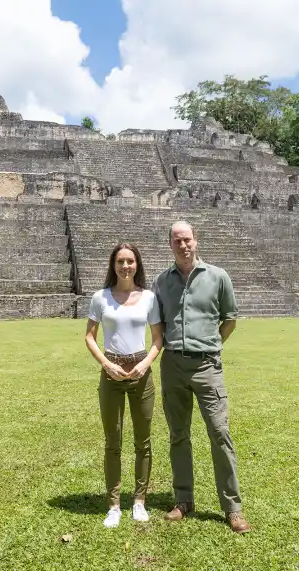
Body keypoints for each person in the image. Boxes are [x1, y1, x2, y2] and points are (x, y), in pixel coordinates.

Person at [151, 221, 251, 534]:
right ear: (170, 244)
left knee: (220, 434)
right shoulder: (161, 281)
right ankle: (183, 500)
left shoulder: (218, 277)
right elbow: (158, 324)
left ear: (196, 241)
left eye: (187, 239)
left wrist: (212, 345)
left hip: (207, 366)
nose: (183, 245)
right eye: (177, 241)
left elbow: (230, 319)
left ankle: (232, 507)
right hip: (172, 365)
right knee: (178, 434)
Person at [85, 243, 164, 529]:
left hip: (141, 371)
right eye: (120, 261)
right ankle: (114, 505)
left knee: (143, 441)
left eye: (130, 261)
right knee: (112, 442)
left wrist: (145, 364)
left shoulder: (149, 298)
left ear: (137, 264)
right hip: (112, 373)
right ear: (113, 265)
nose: (125, 266)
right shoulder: (100, 297)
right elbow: (90, 337)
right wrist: (107, 364)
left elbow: (158, 338)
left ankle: (139, 501)